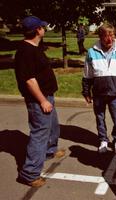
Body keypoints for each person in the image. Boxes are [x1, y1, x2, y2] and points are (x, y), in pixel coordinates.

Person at [14, 16, 65, 187]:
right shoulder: (25, 51)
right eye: (42, 26)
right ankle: (29, 174)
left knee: (53, 126)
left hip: (47, 95)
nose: (44, 28)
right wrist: (43, 101)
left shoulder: (33, 47)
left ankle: (50, 151)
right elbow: (29, 80)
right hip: (39, 99)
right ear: (37, 30)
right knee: (39, 134)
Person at [82, 23, 116, 155]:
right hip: (98, 94)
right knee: (99, 117)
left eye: (112, 35)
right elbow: (87, 75)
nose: (110, 39)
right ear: (100, 37)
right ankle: (103, 139)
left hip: (115, 94)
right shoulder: (92, 52)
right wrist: (86, 92)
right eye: (106, 36)